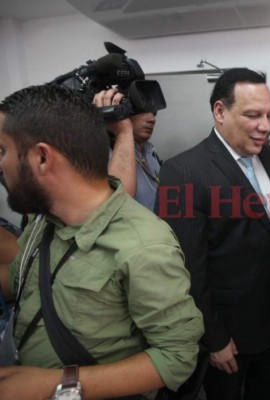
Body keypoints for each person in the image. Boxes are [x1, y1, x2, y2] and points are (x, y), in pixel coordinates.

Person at [0, 84, 203, 400]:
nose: (1, 165)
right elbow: (17, 281)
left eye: (3, 151)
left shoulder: (142, 246)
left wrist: (52, 385)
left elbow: (177, 357)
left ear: (42, 157)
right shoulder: (42, 221)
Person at [156, 68, 270, 400]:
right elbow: (189, 268)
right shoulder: (184, 172)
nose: (266, 125)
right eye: (253, 115)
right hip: (227, 332)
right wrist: (214, 339)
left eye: (269, 115)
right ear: (220, 111)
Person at [93, 88, 161, 210]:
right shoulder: (106, 154)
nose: (152, 119)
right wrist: (123, 132)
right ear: (122, 110)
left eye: (154, 113)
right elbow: (118, 205)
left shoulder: (152, 154)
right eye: (143, 111)